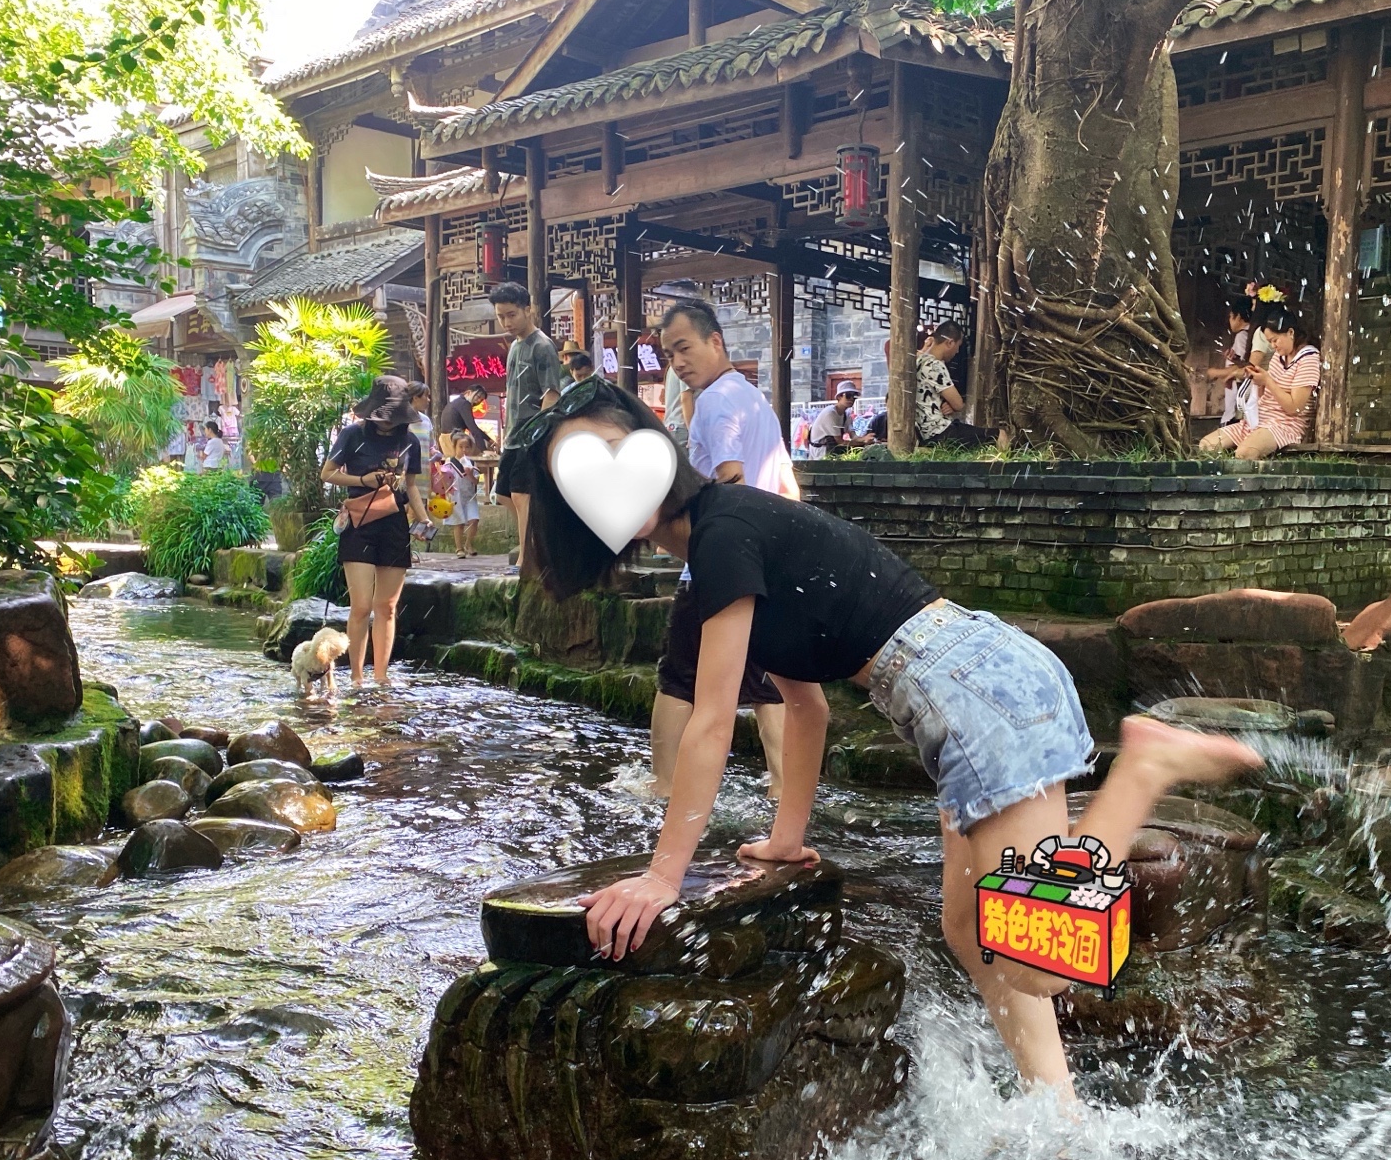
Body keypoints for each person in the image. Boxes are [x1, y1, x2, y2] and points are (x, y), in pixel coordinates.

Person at [519, 378, 1261, 1095]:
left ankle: (1143, 768)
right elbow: (805, 709)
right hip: (969, 687)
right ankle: (1058, 1117)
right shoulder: (723, 541)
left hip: (977, 694)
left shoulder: (723, 535)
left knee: (1038, 960)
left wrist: (662, 879)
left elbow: (712, 724)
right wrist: (786, 840)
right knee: (967, 931)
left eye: (609, 455)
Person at [653, 297, 794, 798]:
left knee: (678, 678)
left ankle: (663, 786)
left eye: (684, 348)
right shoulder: (755, 400)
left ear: (716, 341)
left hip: (716, 566)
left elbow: (731, 480)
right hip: (767, 563)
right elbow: (788, 488)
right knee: (768, 683)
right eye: (669, 355)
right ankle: (783, 787)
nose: (678, 362)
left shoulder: (714, 402)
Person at [321, 375, 434, 689]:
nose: (387, 423)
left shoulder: (410, 441)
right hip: (359, 523)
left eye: (393, 417)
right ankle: (357, 678)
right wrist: (363, 480)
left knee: (387, 607)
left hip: (394, 524)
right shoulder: (352, 435)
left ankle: (381, 677)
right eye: (383, 417)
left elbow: (410, 486)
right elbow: (327, 473)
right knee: (361, 606)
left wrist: (423, 519)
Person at [487, 283, 565, 566]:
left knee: (521, 494)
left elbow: (552, 394)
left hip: (532, 433)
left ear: (528, 310)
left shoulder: (542, 346)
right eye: (501, 316)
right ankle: (537, 541)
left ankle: (526, 557)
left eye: (511, 315)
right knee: (503, 493)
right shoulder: (515, 347)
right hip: (513, 435)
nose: (506, 322)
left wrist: (539, 436)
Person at [1196, 305, 1319, 459]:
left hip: (1285, 425)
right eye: (1270, 342)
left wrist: (1267, 380)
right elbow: (1264, 397)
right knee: (1206, 445)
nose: (1273, 346)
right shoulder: (1278, 356)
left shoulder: (1308, 359)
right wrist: (1258, 382)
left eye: (1275, 340)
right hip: (1258, 420)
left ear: (1290, 332)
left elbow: (1295, 408)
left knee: (1244, 453)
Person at [1201, 294, 1266, 436]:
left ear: (1238, 317)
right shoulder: (1248, 334)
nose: (1229, 321)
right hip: (1240, 391)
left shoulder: (1242, 336)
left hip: (1239, 392)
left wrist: (1215, 373)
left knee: (1231, 421)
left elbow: (1243, 368)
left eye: (1231, 317)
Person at [437, 405, 486, 558]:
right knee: (458, 523)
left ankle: (469, 544)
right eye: (461, 447)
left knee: (474, 520)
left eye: (467, 447)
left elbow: (476, 481)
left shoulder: (471, 463)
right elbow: (444, 481)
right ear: (454, 447)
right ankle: (459, 548)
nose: (464, 450)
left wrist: (470, 474)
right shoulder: (449, 463)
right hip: (456, 497)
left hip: (470, 496)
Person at [915, 323, 966, 443]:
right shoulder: (935, 365)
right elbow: (958, 404)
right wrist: (953, 404)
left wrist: (947, 403)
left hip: (923, 430)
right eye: (958, 346)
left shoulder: (918, 360)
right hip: (938, 431)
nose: (957, 351)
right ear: (950, 343)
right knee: (999, 435)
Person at [808, 382, 859, 459]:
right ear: (839, 397)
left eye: (854, 396)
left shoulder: (846, 415)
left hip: (830, 450)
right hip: (821, 451)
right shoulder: (830, 413)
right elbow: (840, 442)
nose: (852, 399)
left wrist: (865, 439)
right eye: (848, 395)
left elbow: (853, 435)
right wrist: (861, 441)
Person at [406, 381, 436, 466]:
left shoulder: (426, 420)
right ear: (415, 397)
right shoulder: (400, 420)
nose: (429, 400)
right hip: (406, 471)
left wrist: (434, 452)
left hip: (424, 470)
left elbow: (431, 446)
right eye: (426, 396)